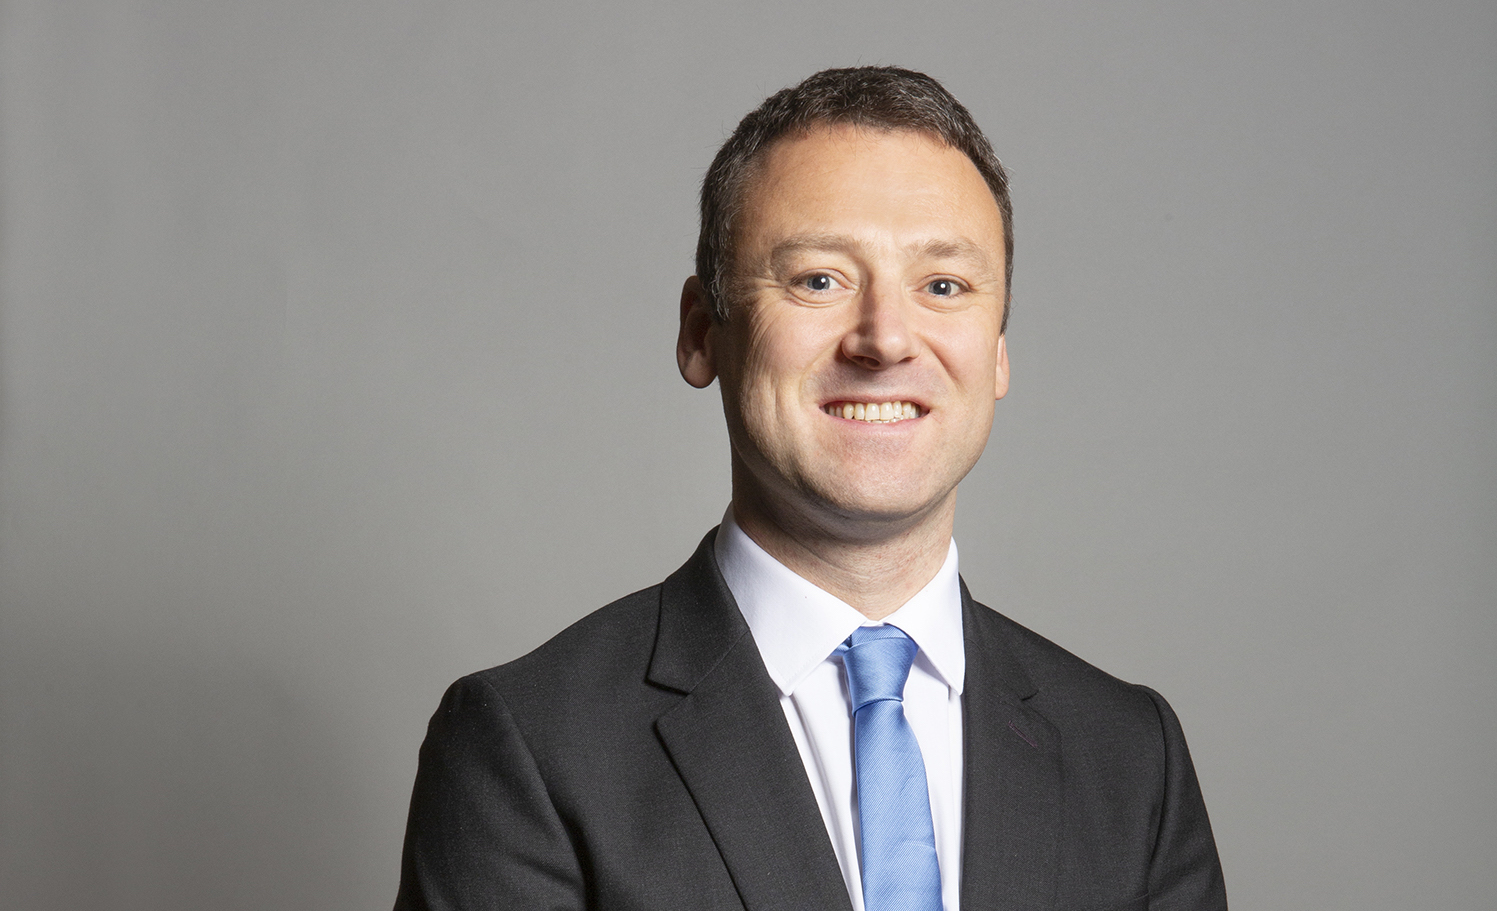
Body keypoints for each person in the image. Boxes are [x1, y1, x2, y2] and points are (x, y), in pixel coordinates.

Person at [393, 66, 1227, 911]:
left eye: (943, 286)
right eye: (818, 279)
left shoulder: (1128, 756)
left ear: (999, 349)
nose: (885, 338)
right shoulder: (531, 746)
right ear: (700, 333)